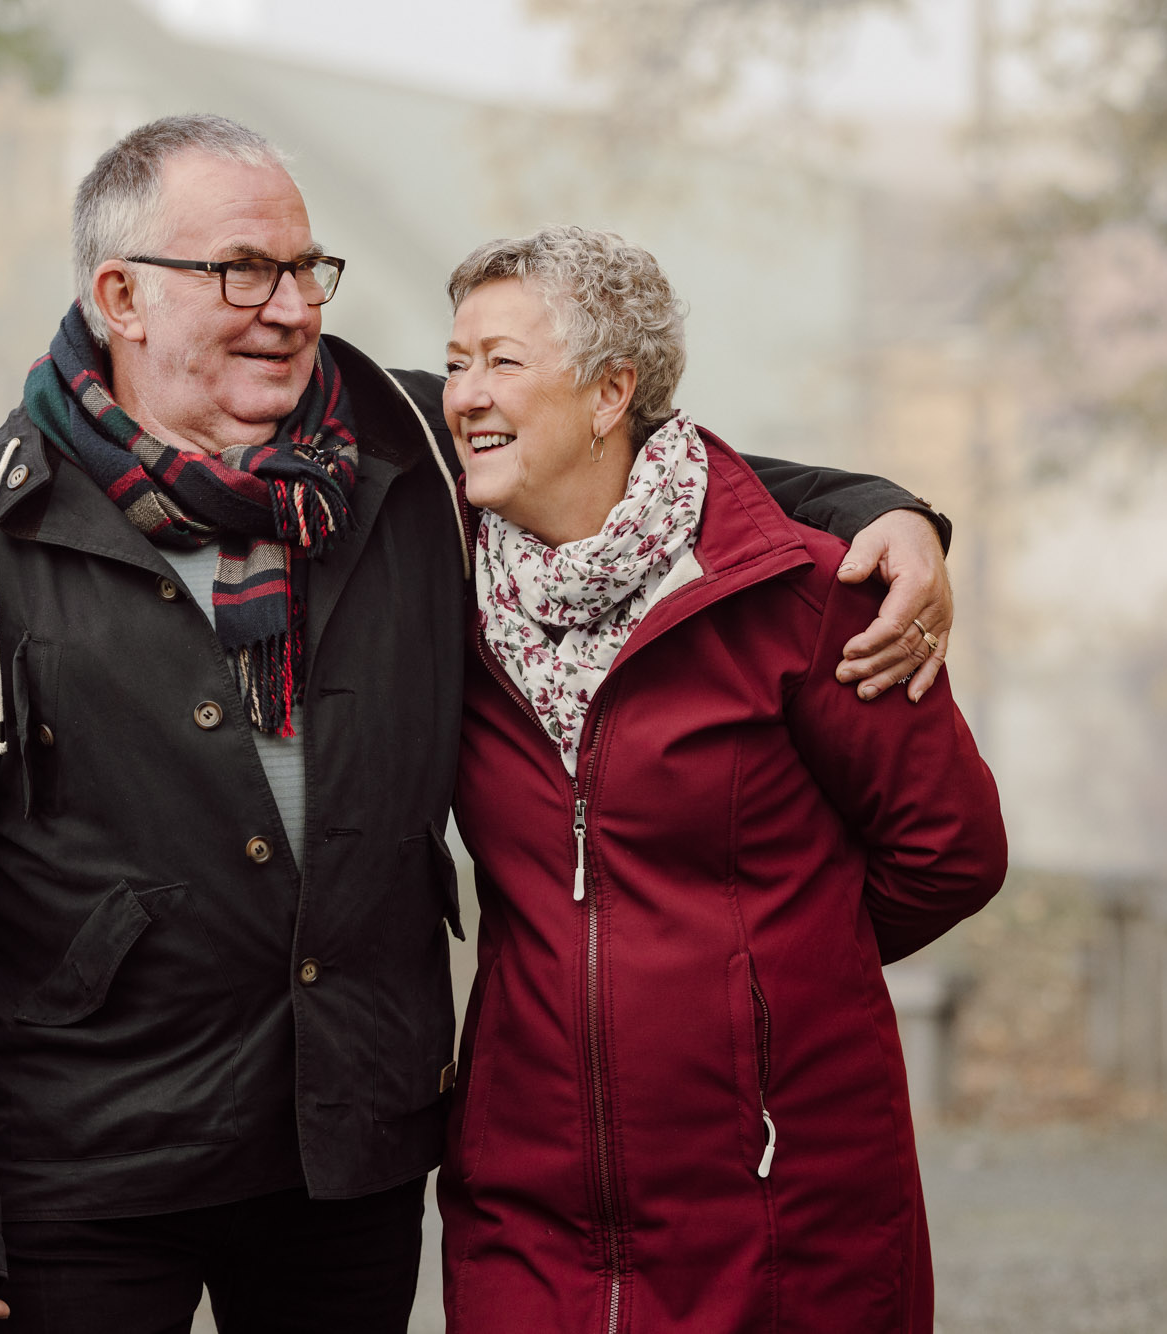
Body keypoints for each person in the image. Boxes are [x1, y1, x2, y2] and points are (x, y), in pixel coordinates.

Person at [0, 116, 956, 1333]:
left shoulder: (406, 445)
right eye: (240, 271)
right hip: (87, 1160)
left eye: (305, 269)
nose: (288, 306)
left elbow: (638, 465)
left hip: (346, 1143)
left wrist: (884, 510)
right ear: (121, 295)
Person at [434, 226, 1007, 1333]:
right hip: (524, 1198)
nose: (462, 394)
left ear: (611, 393)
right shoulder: (441, 594)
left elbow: (950, 849)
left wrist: (761, 976)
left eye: (499, 361)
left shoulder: (798, 594)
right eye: (454, 361)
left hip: (778, 1194)